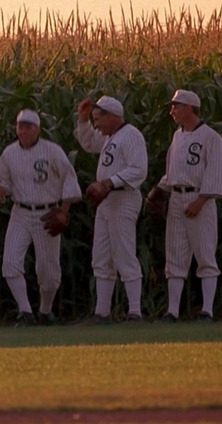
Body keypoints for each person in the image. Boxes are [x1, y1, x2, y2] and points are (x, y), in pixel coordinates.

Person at [0, 109, 82, 326]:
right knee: (10, 263)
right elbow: (3, 181)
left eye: (28, 127)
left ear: (38, 129)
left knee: (49, 272)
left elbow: (69, 178)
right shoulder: (9, 153)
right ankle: (25, 311)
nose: (23, 131)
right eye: (20, 126)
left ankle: (45, 310)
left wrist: (64, 210)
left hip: (47, 212)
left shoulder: (52, 151)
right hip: (20, 211)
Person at [146, 89, 222, 323]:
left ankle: (207, 311)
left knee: (205, 255)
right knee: (175, 255)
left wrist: (200, 201)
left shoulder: (211, 137)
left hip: (200, 199)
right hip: (178, 199)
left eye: (176, 106)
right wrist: (159, 189)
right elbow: (173, 171)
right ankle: (172, 311)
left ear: (189, 108)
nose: (172, 110)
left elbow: (215, 173)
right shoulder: (178, 136)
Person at [74, 96, 148, 323]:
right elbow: (88, 143)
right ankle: (102, 312)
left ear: (113, 116)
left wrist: (108, 183)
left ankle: (135, 311)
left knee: (124, 252)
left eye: (98, 120)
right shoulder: (110, 137)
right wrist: (83, 120)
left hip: (123, 197)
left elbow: (138, 170)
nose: (97, 125)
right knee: (102, 255)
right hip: (106, 201)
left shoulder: (131, 135)